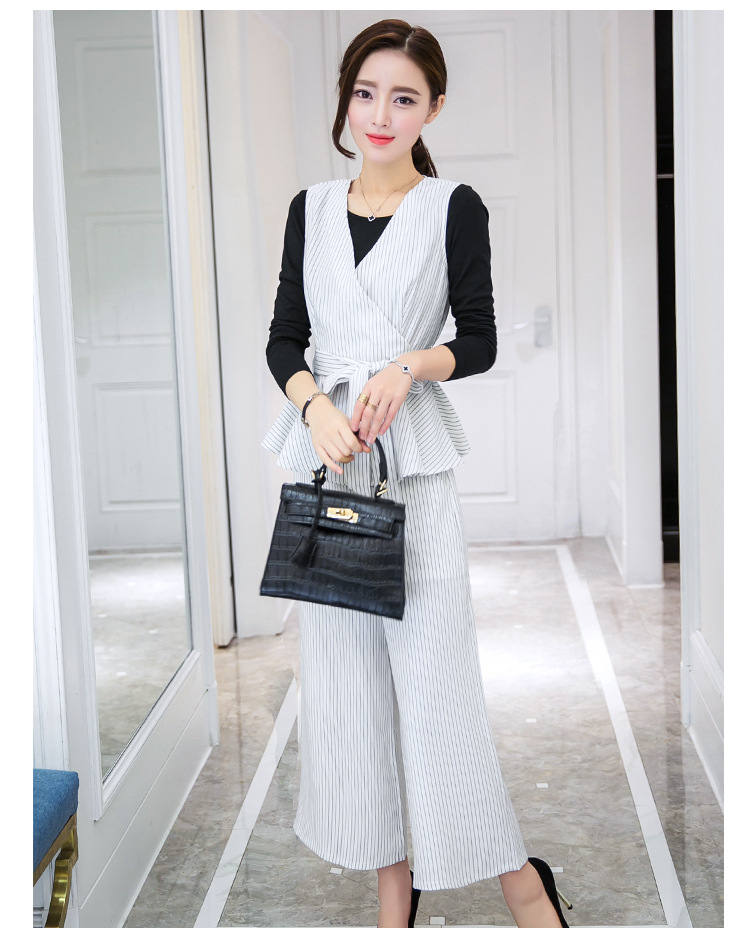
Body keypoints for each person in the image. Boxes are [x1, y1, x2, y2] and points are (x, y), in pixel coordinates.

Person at [262, 18, 570, 928]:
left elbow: (479, 337)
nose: (380, 114)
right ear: (345, 100)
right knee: (352, 701)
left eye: (404, 98)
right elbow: (283, 338)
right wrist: (314, 408)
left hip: (413, 476)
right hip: (329, 473)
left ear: (434, 107)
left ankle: (522, 881)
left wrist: (407, 367)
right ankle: (393, 901)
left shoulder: (451, 207)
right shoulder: (311, 209)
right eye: (366, 93)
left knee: (436, 691)